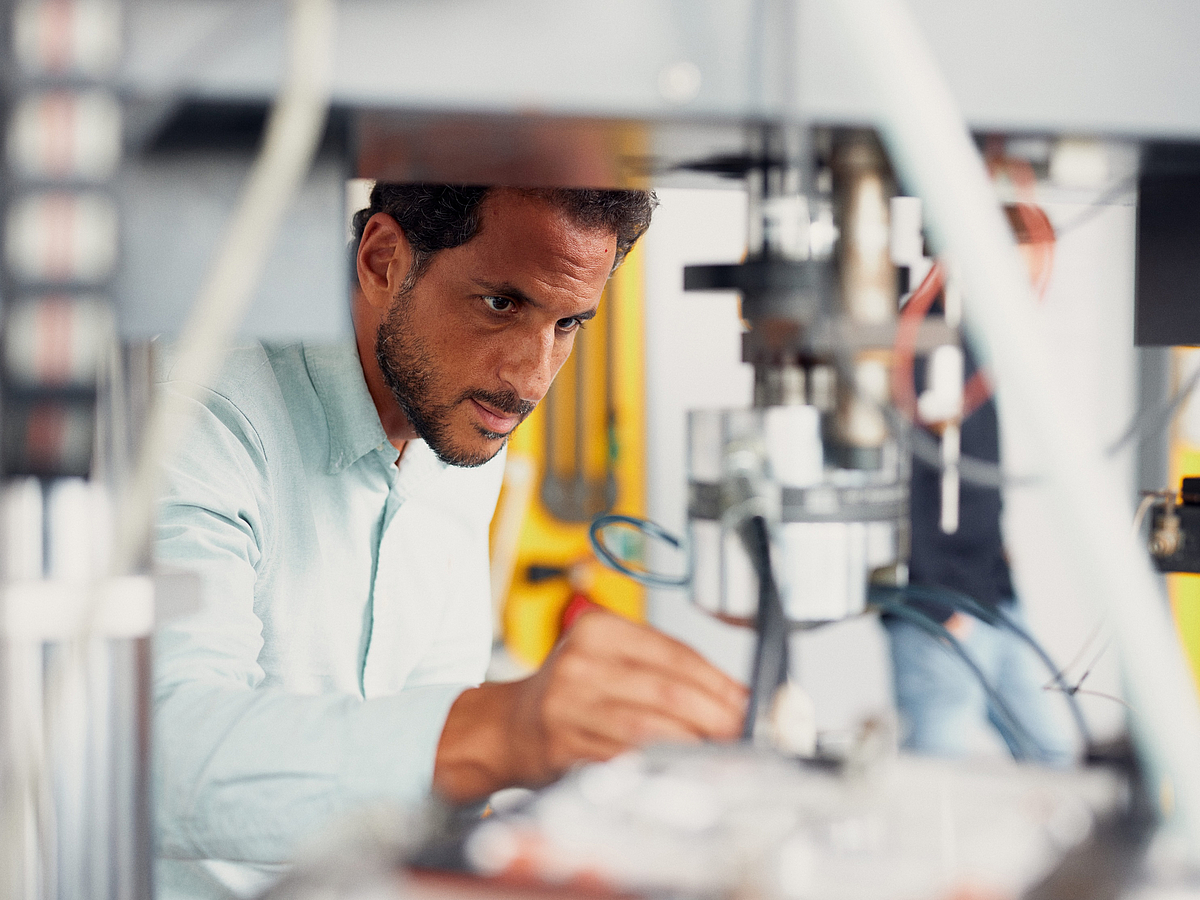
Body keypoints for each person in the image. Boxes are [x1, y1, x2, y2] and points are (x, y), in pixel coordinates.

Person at [153, 184, 748, 899]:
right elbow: (167, 753)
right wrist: (500, 729)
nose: (530, 377)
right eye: (502, 304)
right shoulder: (199, 415)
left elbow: (433, 727)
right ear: (382, 261)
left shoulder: (459, 424)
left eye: (568, 324)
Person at [883, 202, 1073, 766]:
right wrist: (942, 603)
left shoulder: (974, 343)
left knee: (1054, 757)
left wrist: (1002, 567)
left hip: (995, 596)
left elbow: (974, 472)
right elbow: (906, 477)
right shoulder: (922, 339)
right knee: (938, 773)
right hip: (944, 609)